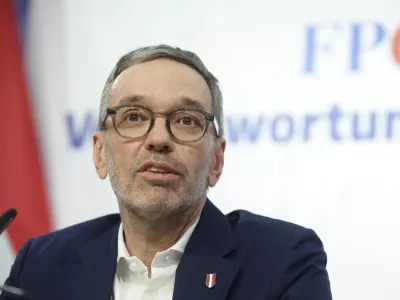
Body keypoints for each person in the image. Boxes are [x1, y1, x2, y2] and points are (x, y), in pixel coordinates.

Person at [0, 45, 332, 300]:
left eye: (187, 120)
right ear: (100, 153)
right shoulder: (42, 264)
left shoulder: (281, 259)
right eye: (133, 117)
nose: (158, 139)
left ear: (216, 161)